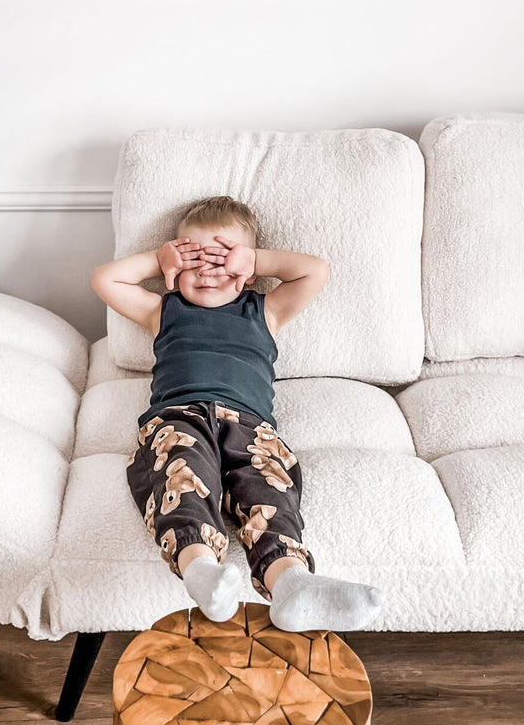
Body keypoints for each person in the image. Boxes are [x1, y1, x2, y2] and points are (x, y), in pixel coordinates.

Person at [90, 194, 384, 632]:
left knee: (268, 486)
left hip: (250, 425)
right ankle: (202, 572)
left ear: (246, 271)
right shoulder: (163, 310)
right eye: (193, 259)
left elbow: (314, 270)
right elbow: (104, 280)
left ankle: (291, 584)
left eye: (223, 259)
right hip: (178, 417)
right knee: (180, 476)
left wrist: (256, 259)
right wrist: (158, 260)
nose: (207, 270)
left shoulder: (263, 310)